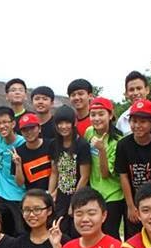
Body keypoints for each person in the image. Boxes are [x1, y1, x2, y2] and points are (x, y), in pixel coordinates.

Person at [115, 98, 151, 239]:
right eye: (134, 121)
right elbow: (124, 176)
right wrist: (131, 206)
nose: (137, 125)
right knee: (134, 238)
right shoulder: (123, 145)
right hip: (133, 199)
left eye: (143, 122)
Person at [84, 97, 124, 239]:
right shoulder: (89, 132)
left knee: (110, 234)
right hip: (94, 192)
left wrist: (101, 150)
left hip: (113, 195)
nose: (97, 118)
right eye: (93, 114)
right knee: (94, 233)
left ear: (110, 115)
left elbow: (106, 173)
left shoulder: (118, 140)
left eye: (101, 114)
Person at [51, 105, 91, 238]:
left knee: (76, 232)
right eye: (60, 123)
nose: (64, 126)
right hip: (61, 195)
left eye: (67, 122)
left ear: (74, 123)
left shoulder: (82, 145)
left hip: (78, 195)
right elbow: (54, 172)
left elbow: (84, 176)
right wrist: (50, 194)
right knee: (60, 231)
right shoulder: (55, 144)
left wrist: (74, 202)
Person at [0, 106, 27, 237]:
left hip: (18, 194)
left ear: (13, 124)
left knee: (20, 232)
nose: (2, 126)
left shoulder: (23, 143)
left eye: (5, 122)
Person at [13, 113, 57, 194]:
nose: (29, 132)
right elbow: (20, 183)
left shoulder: (52, 145)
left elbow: (56, 172)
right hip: (33, 196)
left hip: (53, 194)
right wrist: (18, 165)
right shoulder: (18, 153)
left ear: (39, 128)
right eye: (24, 130)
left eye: (32, 128)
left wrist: (51, 194)